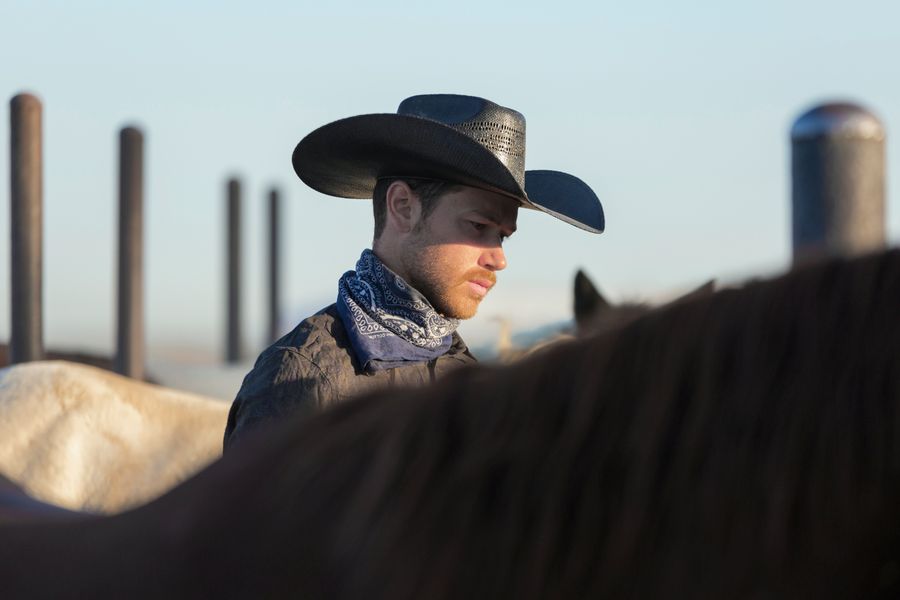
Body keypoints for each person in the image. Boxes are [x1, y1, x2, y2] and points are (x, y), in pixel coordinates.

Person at [223, 94, 605, 450]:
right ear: (403, 207)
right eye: (477, 226)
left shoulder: (470, 381)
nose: (498, 259)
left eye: (502, 237)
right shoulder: (303, 378)